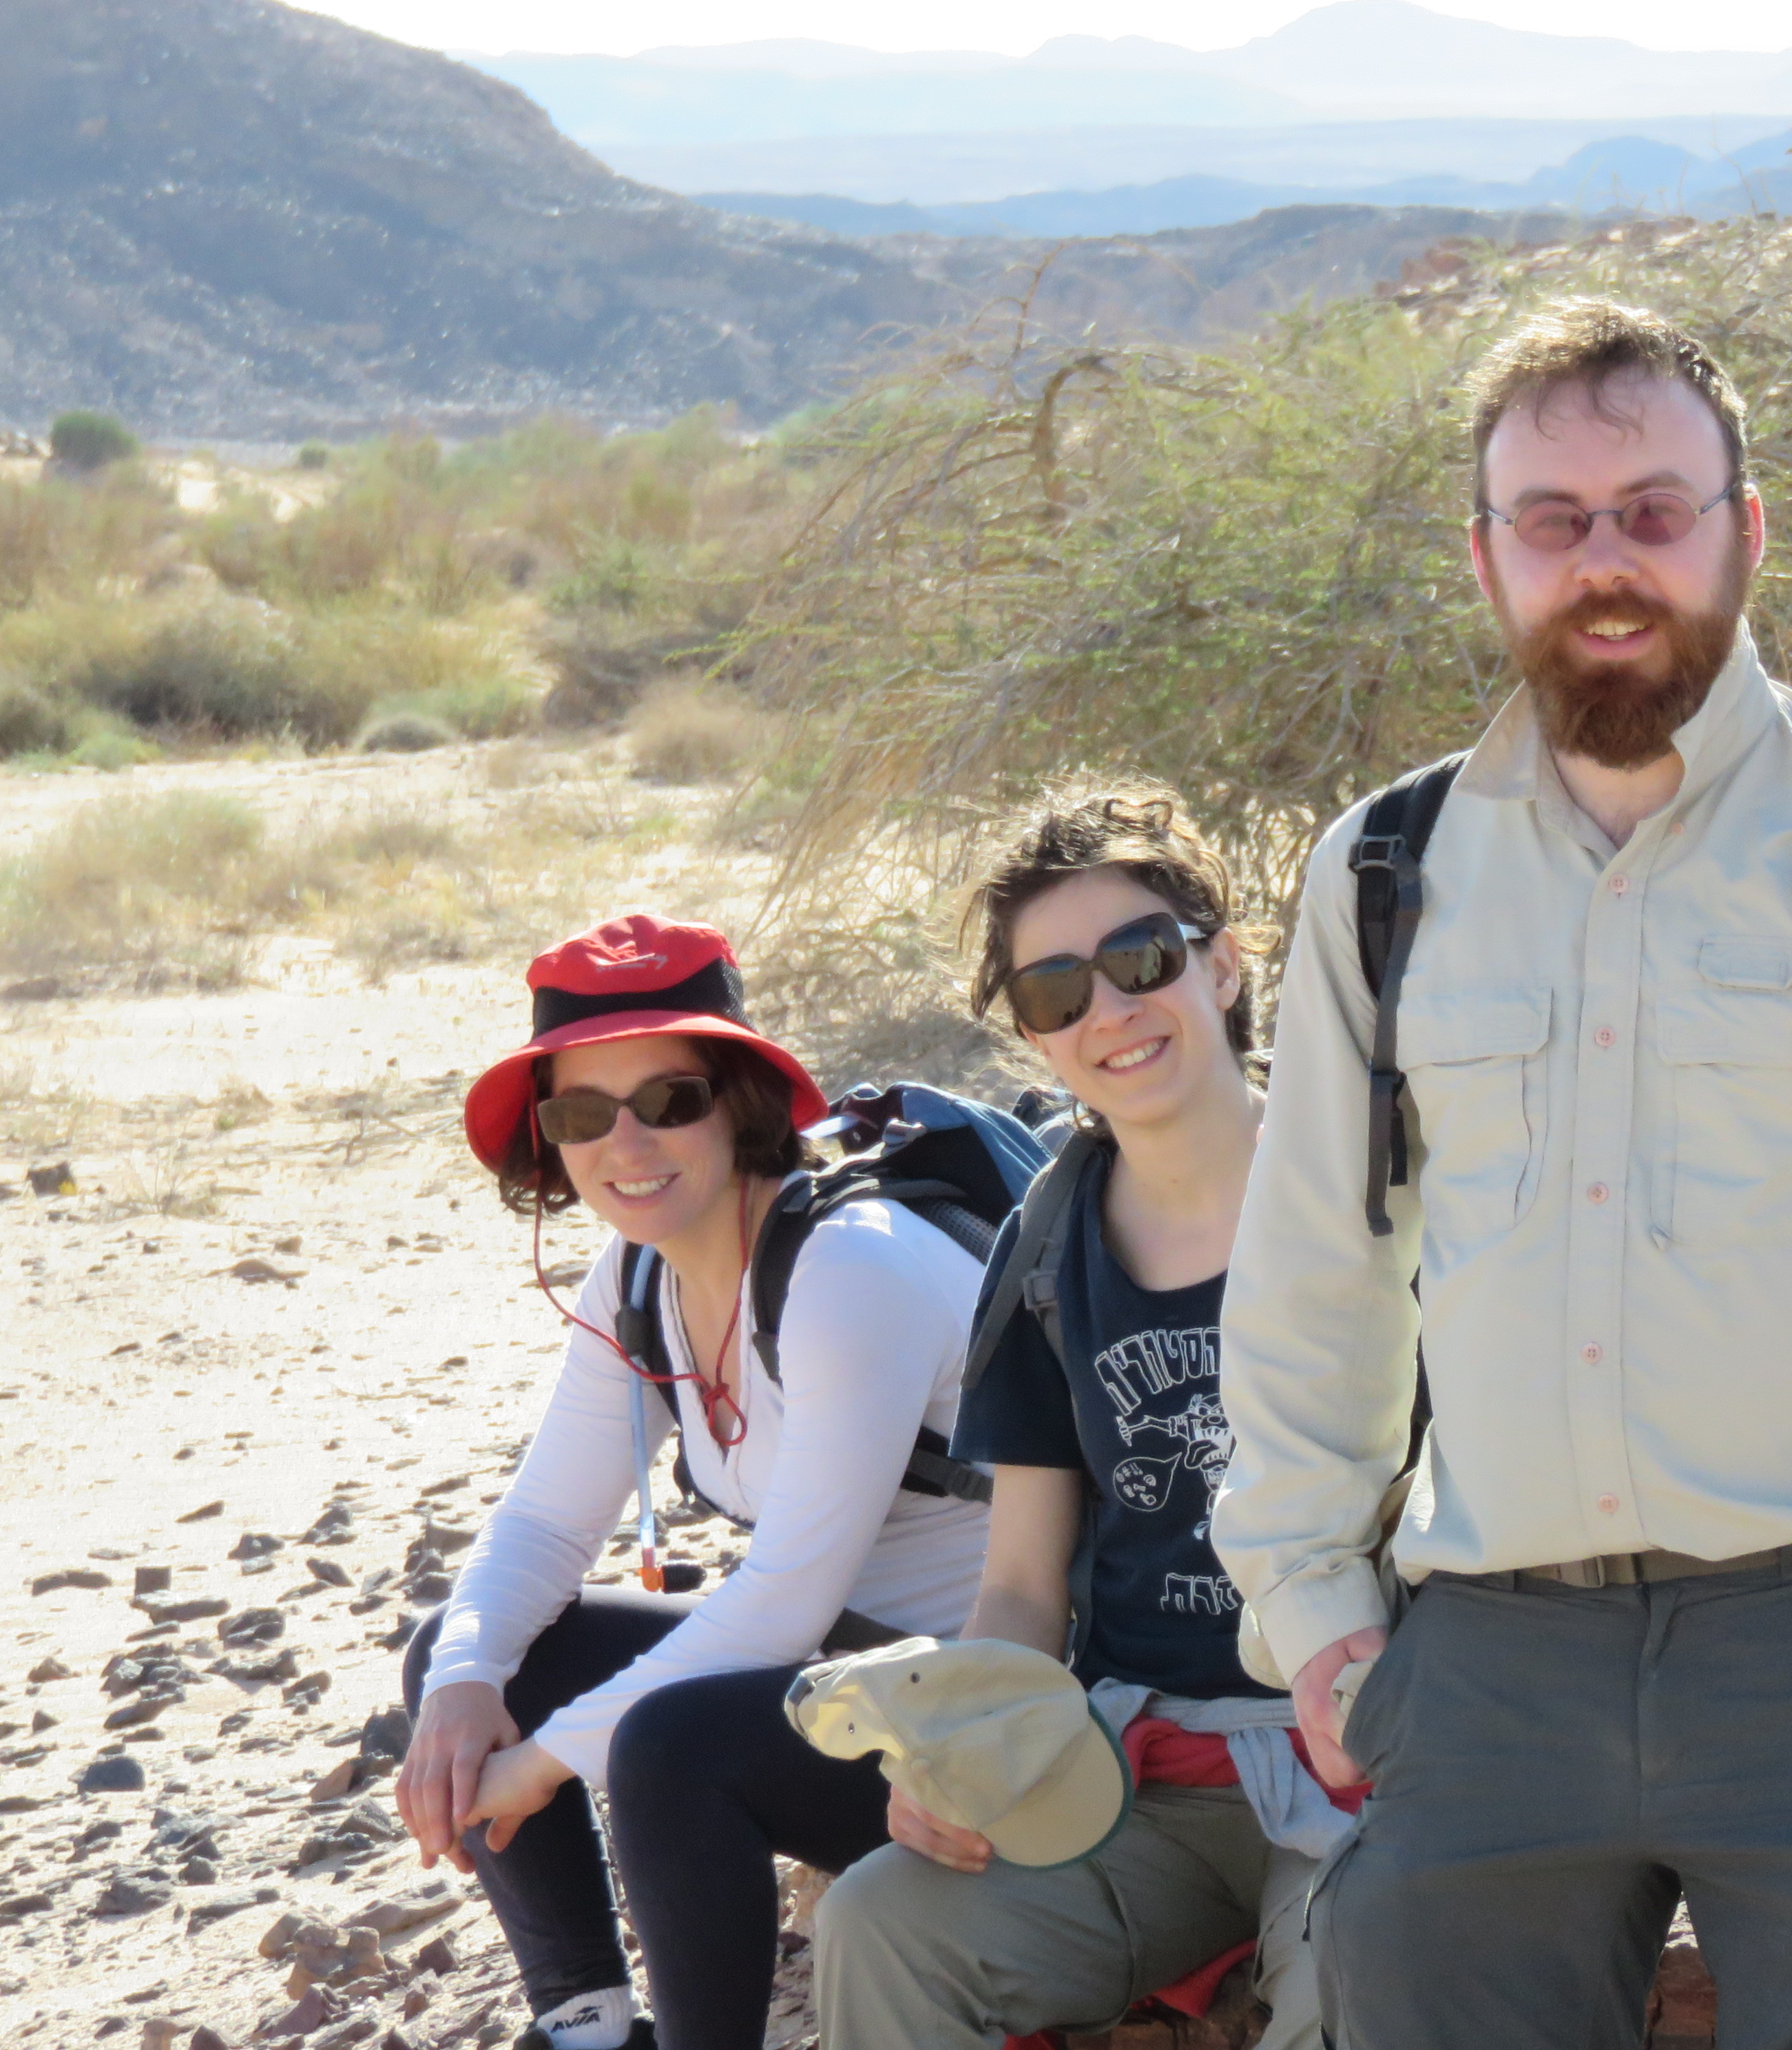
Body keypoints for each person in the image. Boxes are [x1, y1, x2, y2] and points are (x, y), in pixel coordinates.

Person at [1213, 300, 1792, 2049]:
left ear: (1745, 531)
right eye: (1553, 520)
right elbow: (1316, 1274)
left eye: (1654, 510)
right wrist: (1318, 1613)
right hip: (1483, 1672)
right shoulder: (1383, 870)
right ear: (1486, 556)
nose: (1606, 561)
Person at [397, 914, 1008, 2050]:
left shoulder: (851, 1265)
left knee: (670, 1747)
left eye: (668, 1100)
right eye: (581, 1115)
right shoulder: (638, 1275)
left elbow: (780, 1608)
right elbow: (544, 1523)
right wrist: (465, 1682)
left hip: (998, 1721)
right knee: (462, 1648)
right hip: (855, 1688)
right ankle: (587, 2031)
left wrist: (539, 1765)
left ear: (741, 1102)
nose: (625, 1143)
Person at [811, 783, 1355, 2050]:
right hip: (1138, 1780)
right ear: (1032, 1035)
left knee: (1361, 1976)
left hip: (1372, 1757)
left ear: (1225, 966)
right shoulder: (1048, 1244)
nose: (1107, 1009)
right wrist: (961, 1751)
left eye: (1141, 958)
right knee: (880, 1925)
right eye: (1056, 990)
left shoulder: (1370, 1187)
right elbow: (1021, 1584)